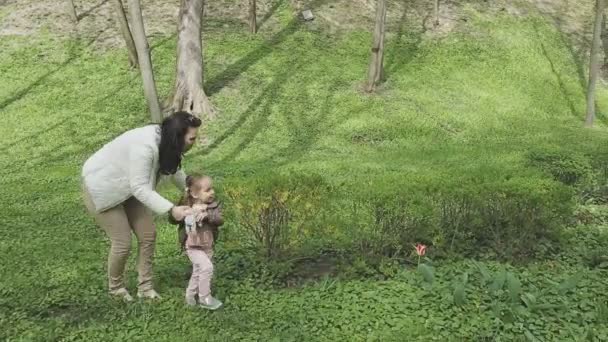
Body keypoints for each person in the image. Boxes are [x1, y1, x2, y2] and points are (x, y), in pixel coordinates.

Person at [81, 111, 201, 301]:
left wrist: (191, 190)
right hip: (102, 187)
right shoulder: (144, 148)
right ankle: (116, 289)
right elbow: (140, 188)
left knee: (147, 235)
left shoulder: (168, 141)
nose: (195, 142)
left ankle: (145, 288)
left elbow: (174, 169)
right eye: (192, 138)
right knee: (122, 242)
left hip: (129, 186)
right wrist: (172, 209)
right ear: (179, 136)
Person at [170, 174, 224, 310]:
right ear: (194, 193)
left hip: (207, 245)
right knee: (207, 268)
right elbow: (173, 218)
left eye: (212, 189)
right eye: (208, 190)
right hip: (193, 246)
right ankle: (205, 298)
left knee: (198, 270)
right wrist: (182, 214)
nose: (212, 192)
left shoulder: (213, 205)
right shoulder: (186, 205)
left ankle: (190, 295)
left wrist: (208, 216)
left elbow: (219, 220)